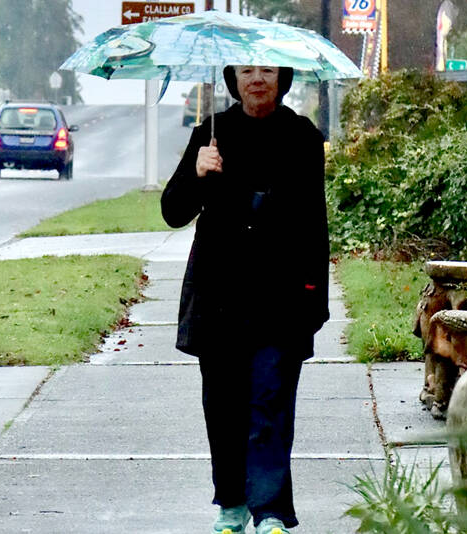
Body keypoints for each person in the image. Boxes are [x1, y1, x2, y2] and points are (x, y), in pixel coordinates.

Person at [161, 65, 330, 534]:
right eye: (247, 71)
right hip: (219, 294)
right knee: (224, 407)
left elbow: (315, 224)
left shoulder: (302, 137)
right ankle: (232, 504)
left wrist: (315, 297)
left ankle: (270, 511)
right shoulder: (211, 133)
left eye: (268, 70)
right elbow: (173, 211)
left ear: (283, 78)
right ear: (233, 79)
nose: (257, 79)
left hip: (282, 295)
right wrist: (198, 173)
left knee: (271, 402)